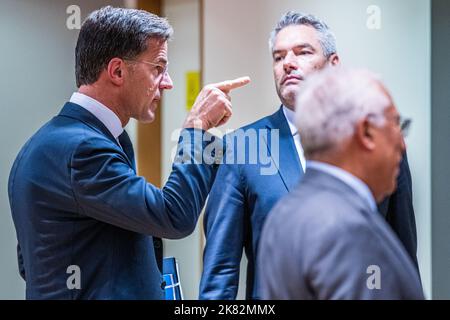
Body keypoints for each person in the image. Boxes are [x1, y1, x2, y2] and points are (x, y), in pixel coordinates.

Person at [8, 6, 249, 299]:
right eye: (158, 69)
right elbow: (174, 215)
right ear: (118, 71)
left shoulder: (50, 143)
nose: (168, 83)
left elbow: (31, 264)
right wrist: (196, 129)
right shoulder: (82, 149)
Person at [199, 11, 418, 300]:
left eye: (302, 52)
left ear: (333, 65)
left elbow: (401, 252)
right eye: (278, 57)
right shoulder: (243, 147)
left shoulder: (375, 141)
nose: (287, 64)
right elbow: (220, 273)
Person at [258, 67, 424, 299]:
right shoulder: (346, 227)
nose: (402, 143)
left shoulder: (286, 212)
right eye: (395, 124)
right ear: (366, 132)